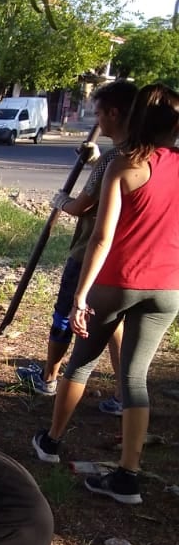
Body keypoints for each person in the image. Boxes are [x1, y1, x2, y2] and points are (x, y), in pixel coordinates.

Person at [32, 83, 179, 504]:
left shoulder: (124, 165)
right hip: (168, 287)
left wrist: (81, 295)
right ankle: (128, 477)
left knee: (80, 365)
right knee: (135, 378)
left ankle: (52, 442)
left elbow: (100, 238)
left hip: (117, 280)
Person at [16, 79, 137, 409]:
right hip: (125, 259)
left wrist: (61, 200)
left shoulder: (114, 157)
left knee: (66, 315)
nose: (97, 120)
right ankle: (123, 395)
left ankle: (49, 378)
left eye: (98, 113)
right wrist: (95, 158)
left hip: (89, 254)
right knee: (113, 322)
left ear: (114, 113)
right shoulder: (144, 153)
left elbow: (81, 205)